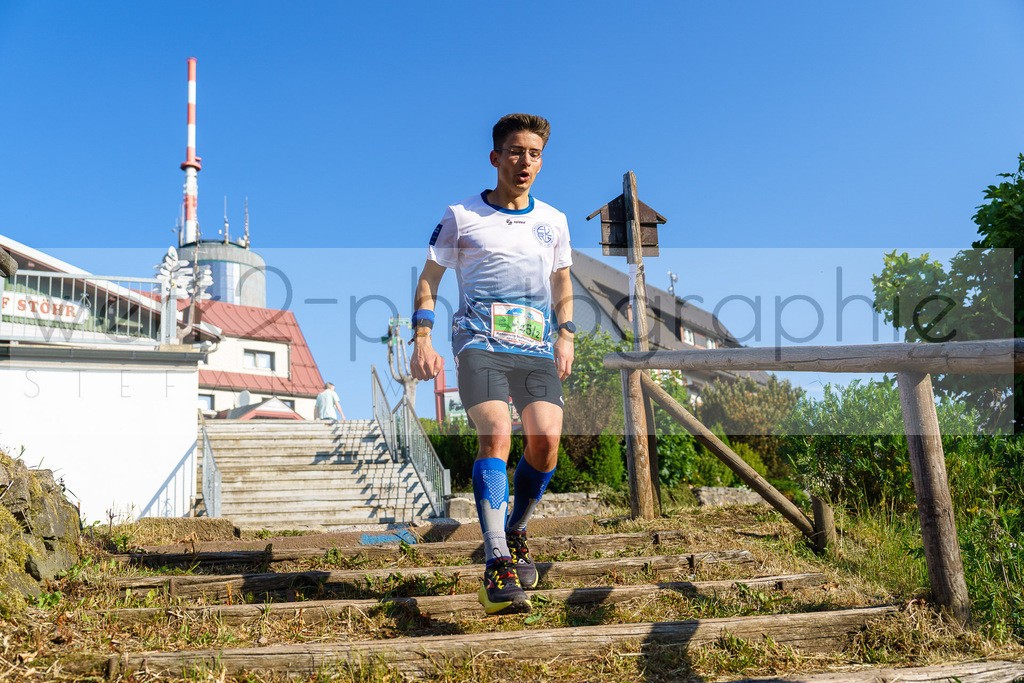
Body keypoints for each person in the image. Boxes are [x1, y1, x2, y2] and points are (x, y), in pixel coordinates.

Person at [410, 113, 575, 615]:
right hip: (478, 341)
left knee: (546, 444)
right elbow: (428, 280)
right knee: (497, 435)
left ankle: (516, 528)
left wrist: (566, 334)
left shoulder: (555, 221)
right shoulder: (461, 216)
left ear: (541, 162)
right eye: (516, 152)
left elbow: (563, 283)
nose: (525, 162)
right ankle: (497, 560)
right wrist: (422, 337)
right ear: (495, 157)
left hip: (535, 347)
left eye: (534, 154)